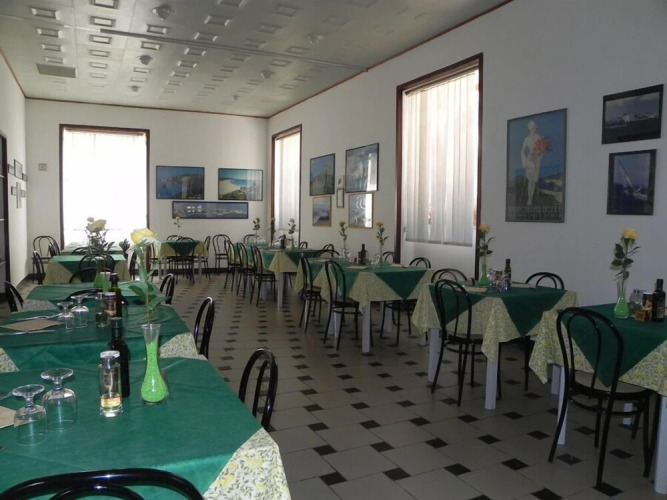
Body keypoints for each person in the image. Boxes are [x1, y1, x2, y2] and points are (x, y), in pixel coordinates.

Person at [520, 120, 542, 206]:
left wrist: (539, 153)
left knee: (534, 180)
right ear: (530, 128)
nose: (535, 128)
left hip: (536, 160)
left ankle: (533, 197)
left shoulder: (538, 136)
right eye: (533, 127)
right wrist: (525, 161)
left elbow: (541, 148)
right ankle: (529, 199)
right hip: (530, 161)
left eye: (535, 127)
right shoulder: (526, 139)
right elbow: (522, 151)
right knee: (530, 180)